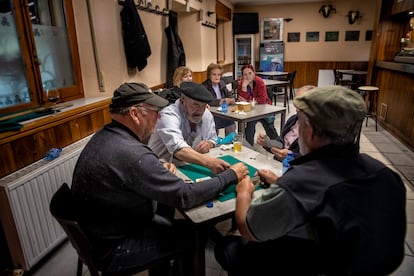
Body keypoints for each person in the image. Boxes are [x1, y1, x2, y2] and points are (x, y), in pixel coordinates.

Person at [215, 86, 406, 276]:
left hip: (309, 265)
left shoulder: (297, 184)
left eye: (300, 122)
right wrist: (280, 183)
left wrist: (244, 192)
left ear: (311, 131)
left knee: (228, 247)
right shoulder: (386, 175)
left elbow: (248, 228)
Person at [71, 82, 249, 276]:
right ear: (134, 114)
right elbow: (185, 196)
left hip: (104, 231)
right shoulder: (132, 153)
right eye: (154, 110)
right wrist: (230, 176)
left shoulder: (108, 136)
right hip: (114, 248)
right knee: (193, 232)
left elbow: (129, 172)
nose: (158, 115)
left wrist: (153, 168)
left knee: (168, 213)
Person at [148, 81, 230, 174]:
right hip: (159, 167)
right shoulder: (168, 115)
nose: (200, 110)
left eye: (203, 106)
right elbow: (178, 149)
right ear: (183, 101)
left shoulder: (205, 114)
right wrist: (208, 162)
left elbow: (213, 139)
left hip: (187, 165)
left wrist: (209, 143)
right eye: (196, 105)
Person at [256, 85, 316, 161]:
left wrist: (292, 157)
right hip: (280, 163)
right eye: (296, 102)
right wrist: (267, 143)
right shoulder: (293, 119)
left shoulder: (317, 131)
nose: (297, 108)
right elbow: (281, 142)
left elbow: (317, 161)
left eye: (302, 104)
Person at [237, 64, 278, 146]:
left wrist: (248, 101)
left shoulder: (259, 82)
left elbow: (262, 99)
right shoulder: (241, 84)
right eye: (245, 74)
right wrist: (244, 88)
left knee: (269, 126)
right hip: (251, 111)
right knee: (250, 124)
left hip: (264, 108)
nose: (248, 76)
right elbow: (241, 100)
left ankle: (277, 144)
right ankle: (249, 146)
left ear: (254, 73)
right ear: (242, 76)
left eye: (250, 73)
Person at [202, 63, 236, 135]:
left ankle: (229, 144)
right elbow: (208, 100)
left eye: (218, 75)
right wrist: (220, 102)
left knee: (231, 124)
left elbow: (229, 94)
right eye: (214, 74)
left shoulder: (222, 83)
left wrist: (231, 99)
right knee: (213, 130)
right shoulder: (204, 86)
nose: (217, 77)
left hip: (224, 113)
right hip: (212, 115)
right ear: (209, 75)